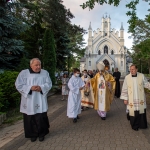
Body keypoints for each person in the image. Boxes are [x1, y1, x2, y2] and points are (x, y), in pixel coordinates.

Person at [15, 58, 52, 142]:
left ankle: (42, 134)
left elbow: (49, 84)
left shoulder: (45, 73)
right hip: (29, 100)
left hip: (40, 99)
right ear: (31, 65)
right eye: (36, 65)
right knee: (30, 117)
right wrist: (30, 88)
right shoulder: (23, 73)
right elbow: (18, 84)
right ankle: (32, 134)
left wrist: (41, 87)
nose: (38, 67)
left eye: (39, 65)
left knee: (41, 117)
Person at [120, 64, 150, 131]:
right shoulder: (127, 77)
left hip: (140, 98)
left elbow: (146, 84)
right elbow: (124, 88)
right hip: (131, 99)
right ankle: (135, 125)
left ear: (136, 69)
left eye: (133, 69)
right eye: (130, 69)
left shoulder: (141, 76)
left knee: (141, 112)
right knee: (133, 113)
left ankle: (142, 125)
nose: (131, 71)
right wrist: (125, 98)